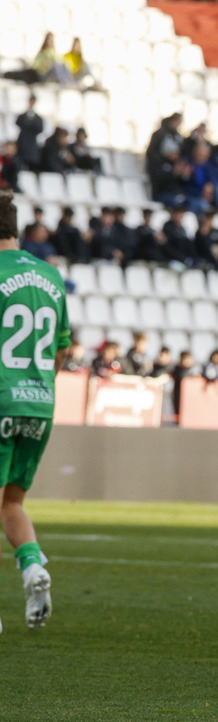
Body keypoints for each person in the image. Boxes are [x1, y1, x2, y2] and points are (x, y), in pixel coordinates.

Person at [0, 191, 69, 629]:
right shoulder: (50, 276)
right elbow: (62, 349)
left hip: (0, 398)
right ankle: (33, 568)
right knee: (12, 502)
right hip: (39, 404)